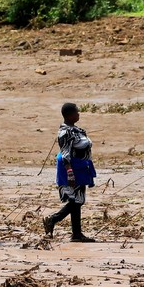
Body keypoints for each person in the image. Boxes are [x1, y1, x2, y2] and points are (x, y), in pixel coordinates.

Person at [43, 103, 97, 242]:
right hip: (72, 167)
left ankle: (76, 234)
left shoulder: (76, 129)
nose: (78, 114)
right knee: (76, 200)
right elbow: (65, 153)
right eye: (76, 112)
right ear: (69, 115)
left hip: (81, 166)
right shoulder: (65, 132)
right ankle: (53, 219)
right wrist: (70, 173)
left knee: (78, 200)